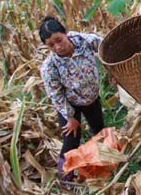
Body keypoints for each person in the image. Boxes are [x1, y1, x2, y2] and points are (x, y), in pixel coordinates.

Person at [38, 16, 105, 179]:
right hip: (69, 105)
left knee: (98, 130)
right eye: (51, 45)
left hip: (91, 98)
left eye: (59, 40)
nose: (57, 47)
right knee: (71, 141)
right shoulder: (49, 67)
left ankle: (100, 163)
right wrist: (70, 117)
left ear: (66, 33)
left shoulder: (85, 41)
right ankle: (66, 177)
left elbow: (106, 46)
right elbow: (55, 94)